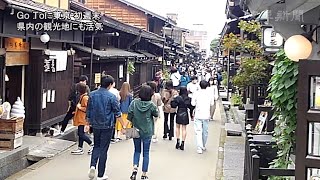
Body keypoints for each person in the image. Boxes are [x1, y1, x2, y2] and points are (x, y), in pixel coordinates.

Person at [87, 75, 125, 180]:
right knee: (104, 149)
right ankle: (100, 174)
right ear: (109, 85)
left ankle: (93, 165)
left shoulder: (92, 94)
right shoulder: (111, 96)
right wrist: (123, 125)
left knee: (96, 146)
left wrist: (87, 123)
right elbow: (117, 113)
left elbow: (89, 110)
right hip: (107, 125)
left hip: (95, 125)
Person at [127, 85, 159, 180]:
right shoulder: (151, 105)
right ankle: (144, 174)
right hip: (147, 131)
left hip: (136, 129)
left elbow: (129, 115)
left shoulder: (134, 103)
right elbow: (156, 114)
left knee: (137, 150)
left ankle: (135, 167)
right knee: (146, 153)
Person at [191, 80, 214, 154]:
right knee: (205, 131)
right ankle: (203, 145)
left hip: (198, 114)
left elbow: (193, 103)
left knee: (198, 131)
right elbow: (212, 103)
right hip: (206, 114)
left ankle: (199, 147)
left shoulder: (196, 93)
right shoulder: (210, 93)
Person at [71, 83, 94, 155]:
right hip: (81, 117)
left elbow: (87, 108)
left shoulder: (84, 98)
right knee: (81, 133)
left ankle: (91, 144)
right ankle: (80, 148)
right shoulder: (83, 96)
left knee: (81, 134)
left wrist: (79, 107)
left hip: (83, 118)